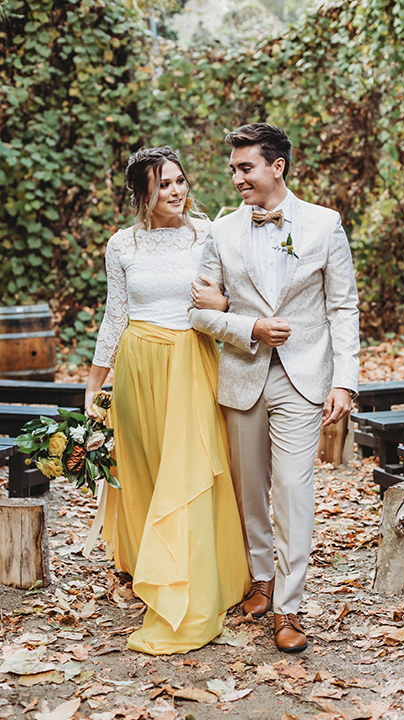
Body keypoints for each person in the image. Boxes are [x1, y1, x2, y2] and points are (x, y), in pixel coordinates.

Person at [190, 123, 360, 653]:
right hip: (242, 375)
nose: (235, 176)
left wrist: (345, 382)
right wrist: (247, 328)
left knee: (292, 491)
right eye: (234, 168)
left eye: (246, 167)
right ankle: (260, 577)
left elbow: (343, 306)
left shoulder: (324, 224)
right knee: (248, 492)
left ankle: (289, 607)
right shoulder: (221, 231)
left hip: (304, 377)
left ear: (276, 166)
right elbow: (198, 312)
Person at [85, 146, 250, 655]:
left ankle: (195, 584)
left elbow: (231, 299)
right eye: (163, 185)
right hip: (137, 364)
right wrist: (94, 384)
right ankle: (150, 568)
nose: (176, 192)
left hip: (190, 359)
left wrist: (218, 304)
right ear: (143, 193)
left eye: (180, 181)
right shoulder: (122, 245)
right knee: (148, 467)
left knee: (188, 471)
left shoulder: (207, 233)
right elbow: (116, 316)